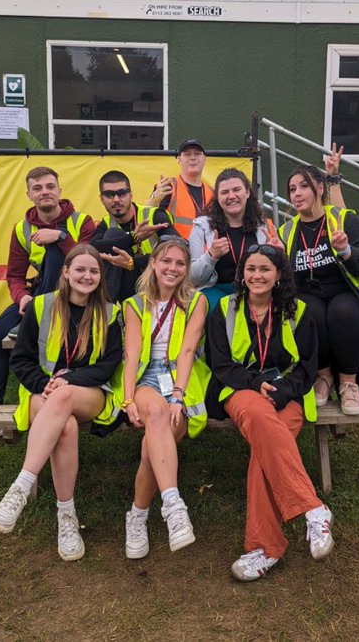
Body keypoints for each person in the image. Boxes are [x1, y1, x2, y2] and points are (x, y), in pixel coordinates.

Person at [0, 244, 123, 561]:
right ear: (66, 272)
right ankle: (66, 516)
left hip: (88, 392)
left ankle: (20, 487)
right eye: (80, 269)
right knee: (67, 428)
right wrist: (42, 384)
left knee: (64, 397)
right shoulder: (42, 305)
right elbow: (21, 359)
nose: (87, 276)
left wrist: (69, 380)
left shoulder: (108, 312)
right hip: (42, 391)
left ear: (100, 277)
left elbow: (108, 364)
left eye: (94, 271)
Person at [206, 244, 333, 582]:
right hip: (241, 390)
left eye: (265, 269)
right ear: (242, 274)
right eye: (251, 269)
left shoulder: (299, 311)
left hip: (288, 394)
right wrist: (255, 383)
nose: (257, 275)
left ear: (279, 275)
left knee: (265, 454)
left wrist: (282, 390)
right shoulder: (224, 309)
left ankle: (265, 549)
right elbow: (220, 364)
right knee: (261, 420)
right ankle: (312, 507)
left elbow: (307, 368)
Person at [0, 166, 96, 451]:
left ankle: (34, 323)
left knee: (58, 256)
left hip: (77, 298)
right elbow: (15, 276)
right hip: (38, 297)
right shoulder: (22, 229)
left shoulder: (82, 222)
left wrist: (59, 237)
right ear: (29, 194)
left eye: (50, 186)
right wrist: (21, 298)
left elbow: (89, 264)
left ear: (59, 190)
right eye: (37, 188)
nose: (45, 192)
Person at [109, 236, 210, 559]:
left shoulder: (196, 301)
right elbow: (131, 355)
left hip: (180, 377)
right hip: (145, 378)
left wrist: (178, 395)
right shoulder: (134, 304)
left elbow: (188, 351)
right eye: (166, 261)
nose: (172, 268)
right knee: (155, 414)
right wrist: (128, 399)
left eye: (180, 263)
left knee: (154, 445)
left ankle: (137, 516)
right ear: (153, 263)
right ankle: (173, 506)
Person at [276, 163, 359, 416]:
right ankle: (323, 377)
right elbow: (284, 280)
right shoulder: (286, 231)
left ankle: (348, 383)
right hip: (309, 294)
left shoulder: (344, 219)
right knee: (309, 311)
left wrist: (346, 251)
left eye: (304, 186)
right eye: (292, 189)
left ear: (320, 188)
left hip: (346, 292)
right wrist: (278, 260)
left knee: (343, 312)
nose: (297, 193)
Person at [188, 168, 284, 312]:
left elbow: (278, 273)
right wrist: (211, 256)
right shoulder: (201, 227)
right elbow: (192, 279)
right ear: (217, 197)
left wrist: (279, 255)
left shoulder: (262, 226)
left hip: (253, 288)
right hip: (214, 289)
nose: (231, 196)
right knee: (216, 308)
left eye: (237, 190)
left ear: (247, 193)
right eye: (224, 192)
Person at [89, 169, 179, 303]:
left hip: (155, 280)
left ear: (131, 194)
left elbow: (178, 250)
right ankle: (107, 308)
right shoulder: (106, 223)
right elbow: (93, 247)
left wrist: (133, 262)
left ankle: (107, 306)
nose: (116, 199)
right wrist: (132, 238)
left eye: (122, 193)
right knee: (112, 235)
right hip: (126, 286)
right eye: (109, 195)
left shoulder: (154, 215)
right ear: (101, 199)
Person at [147, 139, 213, 240]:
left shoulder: (213, 193)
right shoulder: (168, 187)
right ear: (179, 160)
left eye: (197, 154)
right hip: (177, 248)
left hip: (207, 249)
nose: (193, 158)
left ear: (205, 159)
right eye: (187, 154)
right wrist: (154, 199)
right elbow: (147, 218)